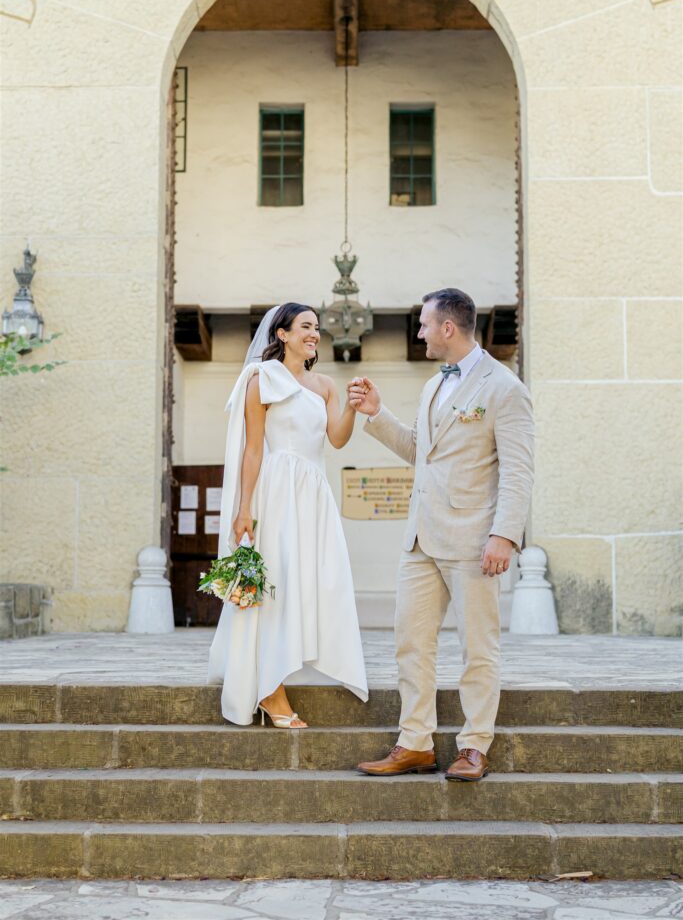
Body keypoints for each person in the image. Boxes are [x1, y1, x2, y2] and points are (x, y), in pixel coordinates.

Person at [348, 288, 534, 780]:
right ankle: (415, 743)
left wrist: (504, 535)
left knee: (478, 648)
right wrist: (376, 413)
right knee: (410, 644)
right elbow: (419, 451)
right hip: (420, 540)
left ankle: (474, 746)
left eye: (425, 324)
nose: (420, 333)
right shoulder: (434, 385)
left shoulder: (504, 387)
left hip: (475, 540)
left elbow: (518, 471)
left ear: (448, 328)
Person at [207, 303, 368, 728]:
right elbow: (253, 449)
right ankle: (268, 688)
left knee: (313, 581)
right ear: (282, 334)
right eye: (305, 326)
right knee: (275, 583)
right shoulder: (261, 379)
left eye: (317, 327)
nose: (314, 334)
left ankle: (284, 666)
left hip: (314, 493)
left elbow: (337, 439)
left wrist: (352, 406)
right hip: (275, 492)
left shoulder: (325, 385)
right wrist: (244, 509)